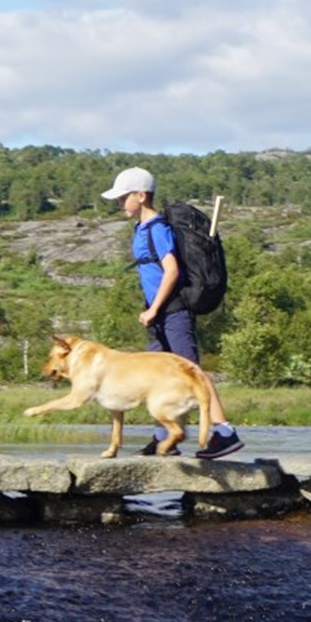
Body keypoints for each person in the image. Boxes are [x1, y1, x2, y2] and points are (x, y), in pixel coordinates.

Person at [101, 167, 244, 459]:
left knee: (192, 373)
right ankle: (163, 439)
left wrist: (154, 308)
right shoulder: (141, 229)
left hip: (173, 312)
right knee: (157, 377)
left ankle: (225, 433)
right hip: (158, 315)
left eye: (124, 197)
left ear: (141, 196)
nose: (119, 203)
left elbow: (172, 271)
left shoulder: (157, 229)